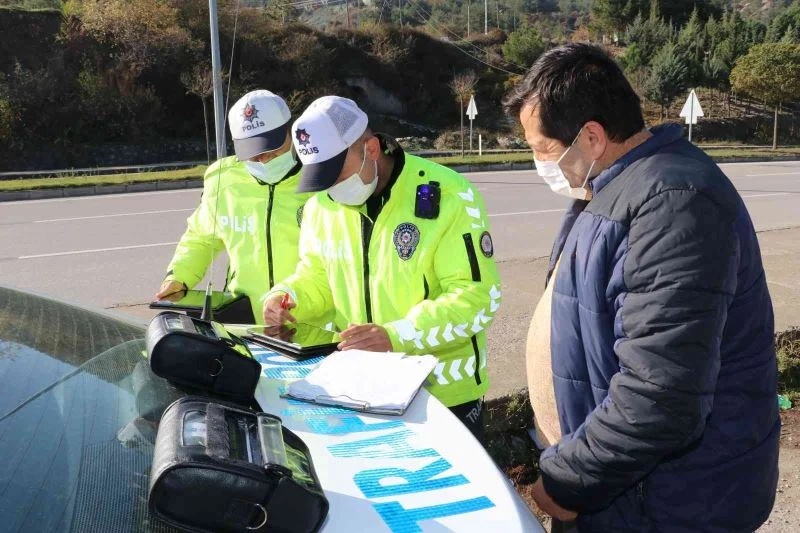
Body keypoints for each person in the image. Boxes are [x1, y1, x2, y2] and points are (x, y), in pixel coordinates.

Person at [503, 43, 779, 531]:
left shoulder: (673, 204)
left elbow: (660, 395)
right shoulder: (617, 186)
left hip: (668, 504)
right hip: (626, 491)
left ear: (591, 136)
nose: (538, 163)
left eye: (542, 149)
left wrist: (569, 480)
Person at [261, 96, 501, 438]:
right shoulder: (321, 206)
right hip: (359, 386)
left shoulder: (450, 193)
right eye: (321, 177)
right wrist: (287, 298)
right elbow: (317, 276)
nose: (331, 187)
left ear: (371, 149)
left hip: (441, 396)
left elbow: (477, 297)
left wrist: (397, 335)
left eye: (336, 173)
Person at [155, 90, 315, 323]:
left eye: (271, 147)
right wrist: (179, 276)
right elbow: (201, 238)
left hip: (310, 321)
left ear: (290, 131)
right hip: (243, 320)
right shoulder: (223, 179)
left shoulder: (320, 178)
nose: (264, 158)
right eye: (254, 152)